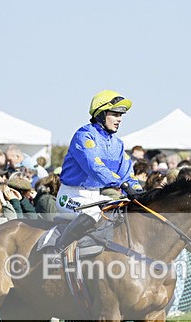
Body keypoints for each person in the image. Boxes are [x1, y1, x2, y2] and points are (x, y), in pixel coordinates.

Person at [53, 90, 142, 253]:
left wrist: (139, 191)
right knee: (94, 213)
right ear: (101, 114)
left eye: (121, 115)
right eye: (115, 114)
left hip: (97, 196)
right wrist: (122, 183)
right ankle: (56, 252)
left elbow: (127, 173)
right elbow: (95, 167)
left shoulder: (118, 144)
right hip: (71, 196)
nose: (119, 119)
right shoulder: (84, 136)